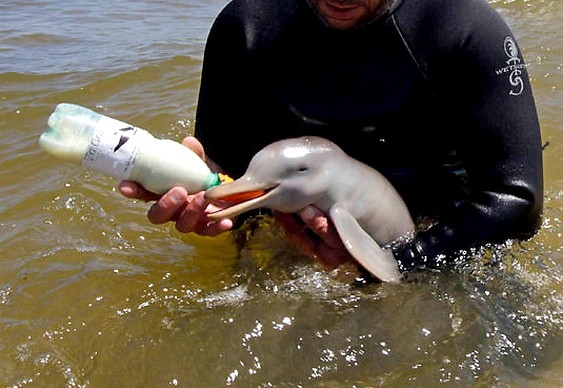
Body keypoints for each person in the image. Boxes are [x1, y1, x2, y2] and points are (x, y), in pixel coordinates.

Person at [119, 0, 543, 274]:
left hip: (435, 250)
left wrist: (392, 265)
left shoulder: (463, 29)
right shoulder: (246, 28)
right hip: (291, 247)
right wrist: (203, 196)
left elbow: (516, 202)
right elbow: (229, 179)